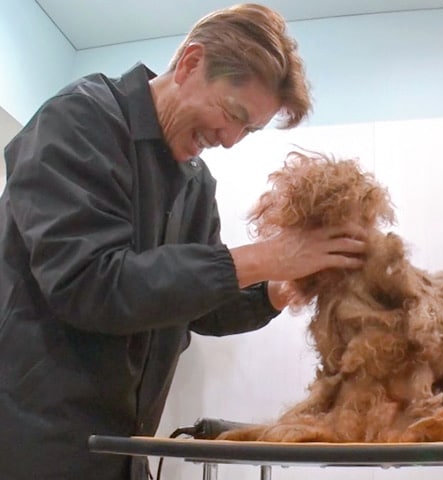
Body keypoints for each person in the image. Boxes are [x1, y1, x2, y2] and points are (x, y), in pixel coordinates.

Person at [0, 4, 368, 480]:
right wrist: (265, 256)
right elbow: (90, 285)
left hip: (121, 451)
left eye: (248, 129)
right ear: (191, 63)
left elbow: (197, 307)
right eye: (233, 114)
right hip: (31, 448)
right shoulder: (78, 121)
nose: (231, 139)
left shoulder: (196, 184)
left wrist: (278, 287)